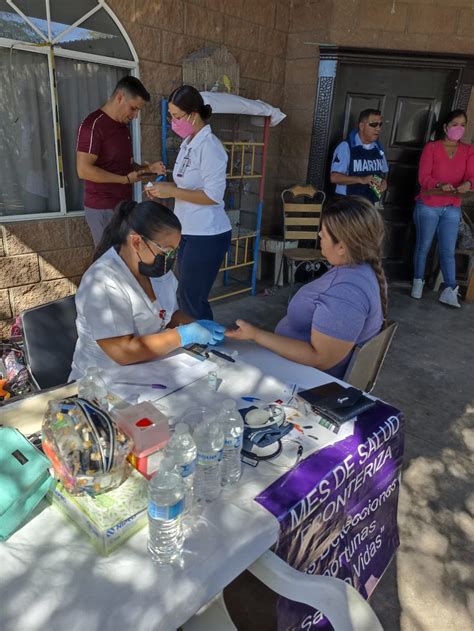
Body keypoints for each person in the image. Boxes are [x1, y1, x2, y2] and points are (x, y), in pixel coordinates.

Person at [226, 196, 386, 379]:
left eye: (323, 234)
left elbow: (320, 358)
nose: (319, 236)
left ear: (341, 246)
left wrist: (255, 334)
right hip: (298, 366)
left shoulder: (346, 292)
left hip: (308, 379)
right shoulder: (360, 268)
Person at [69, 200, 225, 381]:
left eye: (174, 252)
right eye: (166, 251)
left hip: (147, 371)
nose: (170, 259)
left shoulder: (155, 269)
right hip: (101, 382)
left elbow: (169, 314)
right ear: (136, 242)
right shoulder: (103, 281)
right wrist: (183, 335)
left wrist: (200, 326)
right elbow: (122, 351)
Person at [147, 85, 232, 320]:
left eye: (177, 117)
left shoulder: (211, 147)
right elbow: (185, 185)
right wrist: (163, 191)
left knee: (192, 296)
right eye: (171, 117)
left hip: (208, 233)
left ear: (193, 115)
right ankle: (195, 343)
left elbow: (213, 196)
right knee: (184, 294)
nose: (174, 122)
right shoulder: (188, 143)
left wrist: (172, 191)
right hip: (187, 230)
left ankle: (208, 346)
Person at [76, 76, 165, 245]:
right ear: (119, 97)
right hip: (103, 207)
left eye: (138, 110)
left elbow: (125, 166)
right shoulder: (93, 125)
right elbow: (83, 170)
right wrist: (124, 180)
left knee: (127, 258)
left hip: (124, 206)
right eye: (133, 109)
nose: (136, 115)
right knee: (109, 260)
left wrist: (149, 169)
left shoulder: (122, 127)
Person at [411, 109, 473, 308]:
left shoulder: (468, 150)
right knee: (424, 246)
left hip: (452, 206)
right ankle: (418, 282)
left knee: (447, 250)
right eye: (455, 124)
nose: (459, 128)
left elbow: (472, 176)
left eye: (463, 124)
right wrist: (438, 185)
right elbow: (423, 177)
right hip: (429, 205)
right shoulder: (432, 148)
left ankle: (450, 290)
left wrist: (468, 184)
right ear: (445, 127)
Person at [330, 109, 389, 204]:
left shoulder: (378, 147)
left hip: (370, 203)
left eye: (380, 124)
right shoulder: (346, 146)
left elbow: (382, 173)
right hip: (348, 202)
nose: (378, 128)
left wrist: (383, 182)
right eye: (374, 124)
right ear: (362, 126)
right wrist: (361, 179)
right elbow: (334, 177)